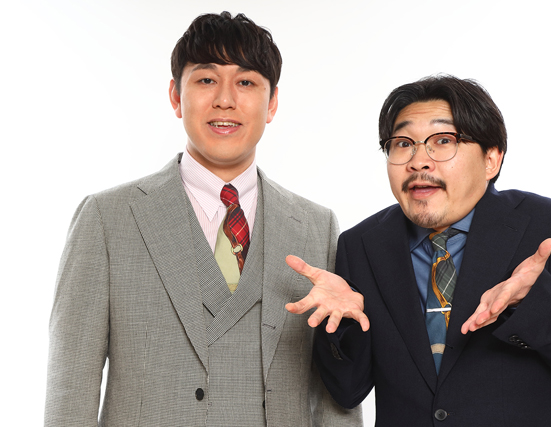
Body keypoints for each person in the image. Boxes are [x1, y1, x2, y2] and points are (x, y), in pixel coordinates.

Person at [44, 12, 362, 427]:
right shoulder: (107, 220)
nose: (225, 100)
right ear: (176, 96)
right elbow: (71, 388)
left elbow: (335, 396)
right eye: (207, 79)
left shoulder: (317, 227)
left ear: (272, 103)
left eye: (246, 82)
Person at [286, 75, 551, 426]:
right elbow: (347, 392)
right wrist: (341, 325)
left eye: (443, 141)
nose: (419, 161)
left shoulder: (546, 228)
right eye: (403, 143)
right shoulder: (362, 244)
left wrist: (532, 302)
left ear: (491, 159)